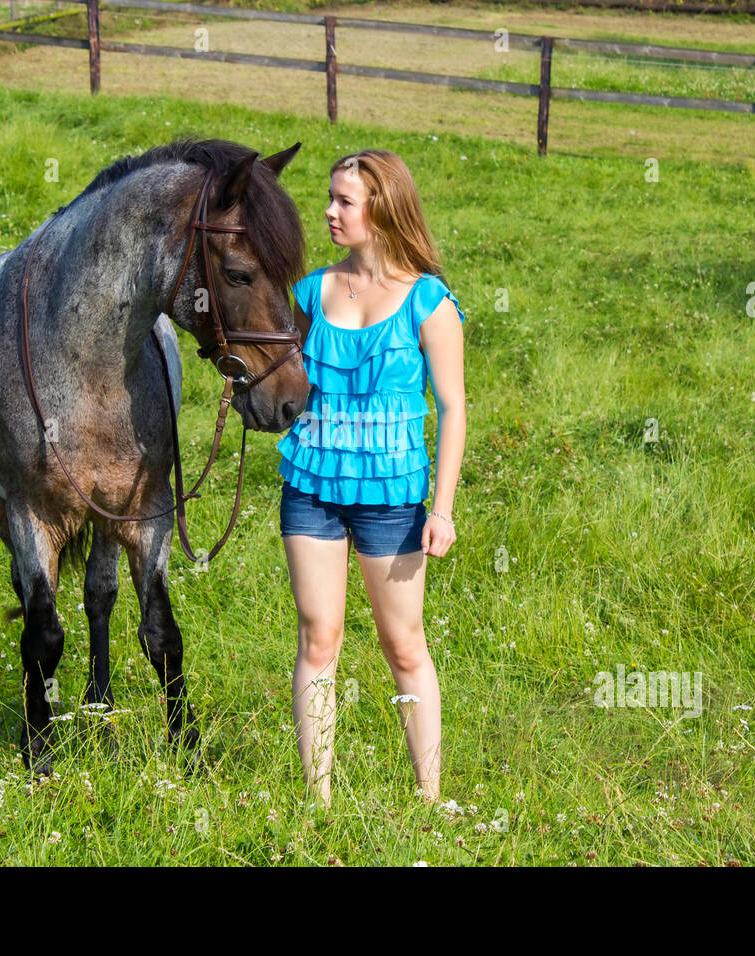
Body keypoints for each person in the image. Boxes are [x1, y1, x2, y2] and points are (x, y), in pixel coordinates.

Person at [275, 149, 467, 809]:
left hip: (392, 498)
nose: (328, 211)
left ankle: (429, 795)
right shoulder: (308, 293)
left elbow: (453, 409)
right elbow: (273, 375)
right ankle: (317, 801)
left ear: (381, 210)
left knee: (403, 643)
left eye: (344, 202)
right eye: (329, 198)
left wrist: (441, 510)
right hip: (311, 486)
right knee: (317, 634)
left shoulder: (428, 302)